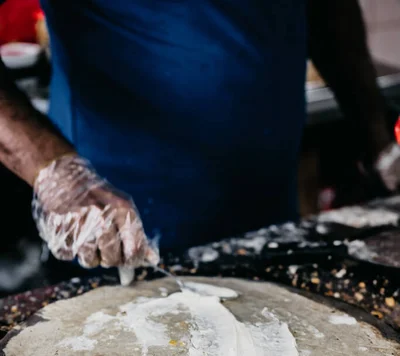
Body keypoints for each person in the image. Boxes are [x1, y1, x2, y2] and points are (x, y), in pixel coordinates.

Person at [0, 0, 399, 270]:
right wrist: (52, 171)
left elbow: (329, 10)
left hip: (268, 213)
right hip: (115, 223)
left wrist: (377, 137)